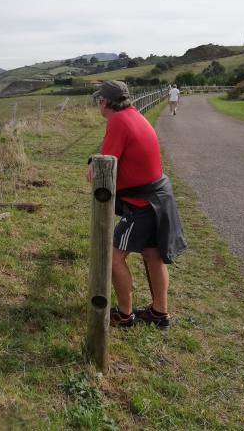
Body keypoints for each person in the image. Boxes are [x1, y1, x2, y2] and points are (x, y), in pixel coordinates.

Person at [86, 80, 187, 329]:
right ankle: (159, 312)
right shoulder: (133, 115)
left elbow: (99, 171)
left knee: (111, 256)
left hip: (143, 203)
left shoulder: (118, 121)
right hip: (158, 197)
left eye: (99, 100)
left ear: (104, 102)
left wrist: (91, 164)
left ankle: (124, 314)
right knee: (153, 255)